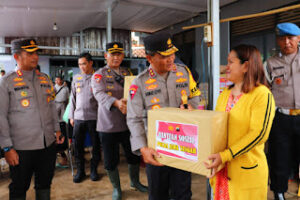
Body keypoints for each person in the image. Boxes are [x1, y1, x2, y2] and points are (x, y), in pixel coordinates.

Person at [127, 33, 201, 200]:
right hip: (156, 151)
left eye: (172, 54)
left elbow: (195, 96)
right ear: (149, 58)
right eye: (164, 56)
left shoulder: (183, 72)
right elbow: (134, 118)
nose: (170, 59)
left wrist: (192, 106)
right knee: (158, 194)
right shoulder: (139, 82)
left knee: (183, 193)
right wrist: (143, 148)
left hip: (183, 146)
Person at [204, 44, 275, 200]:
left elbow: (259, 134)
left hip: (246, 172)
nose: (226, 66)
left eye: (231, 62)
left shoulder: (262, 94)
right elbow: (217, 128)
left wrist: (225, 156)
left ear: (246, 66)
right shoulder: (225, 94)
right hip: (222, 170)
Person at [0, 38, 64, 200]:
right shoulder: (6, 82)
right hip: (21, 148)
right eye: (29, 53)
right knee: (19, 187)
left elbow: (51, 107)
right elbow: (1, 117)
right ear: (16, 57)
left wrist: (57, 130)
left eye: (35, 53)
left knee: (44, 183)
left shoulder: (45, 79)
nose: (34, 56)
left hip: (47, 145)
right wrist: (7, 148)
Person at [91, 42, 147, 200]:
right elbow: (99, 94)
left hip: (129, 123)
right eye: (112, 54)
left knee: (133, 154)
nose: (116, 57)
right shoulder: (99, 75)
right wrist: (116, 103)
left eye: (119, 54)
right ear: (105, 56)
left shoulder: (127, 72)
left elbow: (135, 92)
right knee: (110, 159)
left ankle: (134, 182)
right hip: (108, 125)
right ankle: (116, 188)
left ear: (123, 56)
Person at [266, 22, 300, 200]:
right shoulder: (270, 63)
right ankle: (279, 194)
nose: (287, 42)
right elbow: (264, 91)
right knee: (279, 158)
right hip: (280, 119)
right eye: (282, 38)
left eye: (291, 38)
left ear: (298, 38)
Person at [69, 52, 101, 183]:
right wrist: (72, 117)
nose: (81, 67)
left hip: (95, 118)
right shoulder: (76, 78)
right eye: (79, 64)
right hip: (78, 118)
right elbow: (72, 98)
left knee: (96, 146)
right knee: (78, 146)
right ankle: (80, 171)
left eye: (84, 64)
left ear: (90, 63)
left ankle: (94, 170)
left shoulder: (98, 77)